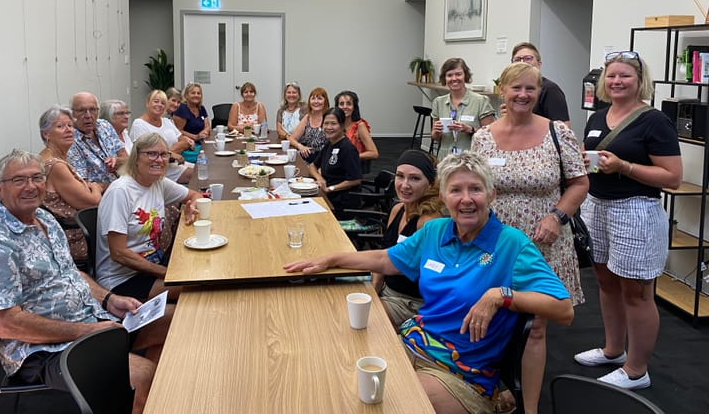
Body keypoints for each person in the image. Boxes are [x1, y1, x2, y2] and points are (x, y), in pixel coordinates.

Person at [285, 152, 574, 414]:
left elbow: (564, 309)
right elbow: (385, 259)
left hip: (461, 373)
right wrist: (331, 258)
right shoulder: (435, 231)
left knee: (388, 402)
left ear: (491, 194)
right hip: (412, 343)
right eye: (456, 190)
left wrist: (501, 295)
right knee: (336, 374)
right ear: (444, 197)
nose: (466, 199)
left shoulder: (512, 244)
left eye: (475, 189)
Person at [0, 150, 171, 414]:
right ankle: (136, 394)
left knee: (171, 321)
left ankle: (138, 399)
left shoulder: (45, 219)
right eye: (19, 180)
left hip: (92, 320)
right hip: (43, 349)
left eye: (37, 178)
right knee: (141, 375)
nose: (30, 186)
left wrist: (109, 299)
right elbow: (8, 325)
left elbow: (72, 273)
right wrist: (86, 331)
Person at [471, 62, 588, 413]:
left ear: (538, 93)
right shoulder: (482, 137)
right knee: (492, 317)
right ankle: (492, 391)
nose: (523, 95)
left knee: (535, 326)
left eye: (530, 89)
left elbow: (580, 183)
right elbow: (473, 186)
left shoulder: (557, 132)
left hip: (543, 243)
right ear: (502, 91)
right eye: (516, 88)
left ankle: (531, 407)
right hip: (494, 242)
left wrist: (557, 216)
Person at [573, 51, 681, 390]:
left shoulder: (654, 121)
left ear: (639, 81)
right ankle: (613, 350)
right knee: (606, 282)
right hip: (597, 205)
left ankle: (637, 370)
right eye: (612, 76)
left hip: (635, 210)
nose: (616, 81)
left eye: (625, 76)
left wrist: (624, 167)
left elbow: (673, 177)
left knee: (636, 292)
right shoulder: (597, 116)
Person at [96, 132, 201, 303]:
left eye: (164, 154)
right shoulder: (120, 192)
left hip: (152, 267)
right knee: (199, 285)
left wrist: (192, 207)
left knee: (204, 268)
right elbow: (119, 253)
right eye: (152, 154)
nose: (159, 160)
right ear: (136, 158)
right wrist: (166, 273)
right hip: (123, 279)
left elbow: (195, 195)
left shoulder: (157, 182)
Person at [371, 149, 443, 327]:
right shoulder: (397, 210)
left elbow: (431, 277)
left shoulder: (429, 222)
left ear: (430, 184)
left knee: (362, 319)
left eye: (414, 178)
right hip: (386, 290)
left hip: (410, 302)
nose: (404, 185)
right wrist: (373, 291)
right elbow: (384, 254)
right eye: (400, 176)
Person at [39, 106, 103, 267]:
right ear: (46, 134)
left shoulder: (56, 157)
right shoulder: (55, 165)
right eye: (60, 126)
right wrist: (96, 187)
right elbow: (92, 202)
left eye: (70, 125)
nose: (68, 130)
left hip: (77, 228)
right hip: (75, 237)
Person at [431, 58, 495, 155]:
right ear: (444, 78)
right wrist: (436, 132)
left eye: (458, 74)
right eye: (449, 75)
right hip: (445, 159)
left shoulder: (480, 101)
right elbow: (436, 137)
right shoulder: (438, 102)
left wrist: (470, 130)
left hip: (471, 159)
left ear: (466, 76)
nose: (454, 78)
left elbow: (491, 136)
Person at [306, 107, 362, 217]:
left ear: (342, 125)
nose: (329, 127)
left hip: (341, 204)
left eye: (333, 124)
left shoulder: (347, 149)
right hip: (327, 195)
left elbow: (355, 180)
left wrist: (331, 188)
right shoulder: (330, 144)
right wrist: (319, 178)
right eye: (326, 123)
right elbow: (312, 166)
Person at [130, 89, 194, 183]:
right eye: (156, 101)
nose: (159, 105)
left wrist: (168, 153)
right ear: (147, 103)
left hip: (174, 163)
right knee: (197, 175)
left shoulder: (166, 121)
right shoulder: (139, 124)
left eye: (163, 103)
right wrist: (170, 154)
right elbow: (145, 153)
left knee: (203, 168)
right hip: (156, 169)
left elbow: (184, 141)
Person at [67, 91, 128, 186]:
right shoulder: (69, 139)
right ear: (71, 114)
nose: (88, 115)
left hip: (123, 184)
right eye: (81, 110)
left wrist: (117, 161)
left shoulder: (104, 126)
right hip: (101, 193)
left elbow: (126, 157)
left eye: (93, 110)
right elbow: (83, 185)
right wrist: (112, 187)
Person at [509, 42, 570, 126]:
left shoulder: (550, 89)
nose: (522, 62)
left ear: (539, 64)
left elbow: (563, 127)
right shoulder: (510, 88)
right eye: (517, 59)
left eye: (528, 58)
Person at [334, 90, 379, 163]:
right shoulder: (336, 125)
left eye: (349, 104)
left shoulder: (360, 126)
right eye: (341, 104)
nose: (345, 107)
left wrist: (352, 156)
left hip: (353, 166)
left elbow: (374, 153)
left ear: (354, 107)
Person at [289, 86, 330, 159]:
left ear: (325, 102)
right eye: (313, 98)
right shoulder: (307, 117)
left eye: (319, 98)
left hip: (324, 159)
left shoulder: (329, 118)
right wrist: (300, 146)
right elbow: (291, 138)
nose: (316, 101)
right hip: (307, 158)